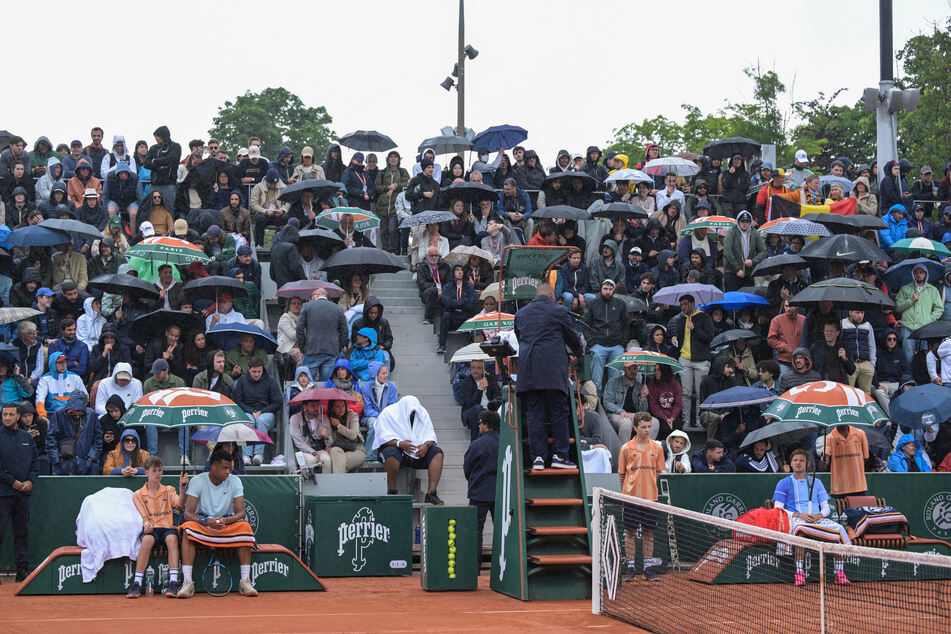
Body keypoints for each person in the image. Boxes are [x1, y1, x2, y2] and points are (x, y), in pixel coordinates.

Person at [515, 284, 585, 470]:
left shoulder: (521, 313)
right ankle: (560, 456)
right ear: (552, 295)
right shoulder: (559, 310)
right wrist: (578, 352)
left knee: (534, 413)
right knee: (558, 411)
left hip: (529, 369)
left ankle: (537, 457)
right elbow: (572, 337)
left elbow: (519, 337)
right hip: (553, 369)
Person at [176, 448, 257, 598]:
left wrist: (226, 520)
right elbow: (188, 514)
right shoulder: (198, 480)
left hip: (226, 523)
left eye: (230, 469)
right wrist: (206, 521)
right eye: (224, 468)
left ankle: (245, 581)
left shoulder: (235, 481)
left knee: (245, 527)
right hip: (203, 523)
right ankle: (187, 582)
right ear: (213, 466)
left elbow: (241, 513)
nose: (228, 472)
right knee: (187, 529)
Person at [772, 449, 851, 586]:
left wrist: (818, 515)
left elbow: (826, 508)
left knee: (839, 529)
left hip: (817, 520)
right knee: (801, 531)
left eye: (801, 460)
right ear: (791, 463)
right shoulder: (783, 483)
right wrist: (799, 515)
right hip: (796, 520)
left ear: (807, 464)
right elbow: (778, 509)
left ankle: (839, 573)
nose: (798, 463)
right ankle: (799, 572)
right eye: (795, 460)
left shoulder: (817, 482)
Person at [127, 456, 188, 598]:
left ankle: (173, 583)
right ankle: (136, 583)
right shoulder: (138, 494)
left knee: (172, 540)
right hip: (152, 529)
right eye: (154, 470)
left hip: (167, 528)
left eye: (160, 470)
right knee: (147, 541)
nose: (158, 473)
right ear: (147, 472)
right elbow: (143, 516)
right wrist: (146, 523)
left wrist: (183, 488)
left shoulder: (168, 489)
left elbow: (179, 503)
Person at [618, 413, 667, 581]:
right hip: (631, 498)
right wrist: (627, 493)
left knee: (649, 533)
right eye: (644, 427)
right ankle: (630, 568)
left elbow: (658, 472)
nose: (647, 430)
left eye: (649, 427)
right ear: (635, 428)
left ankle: (648, 567)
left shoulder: (658, 448)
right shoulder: (625, 448)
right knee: (630, 532)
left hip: (650, 498)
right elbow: (622, 475)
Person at [371, 395, 445, 504]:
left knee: (437, 453)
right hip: (396, 448)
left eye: (414, 412)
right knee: (390, 454)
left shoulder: (422, 412)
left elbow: (431, 434)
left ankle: (431, 494)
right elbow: (382, 438)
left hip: (417, 450)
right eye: (410, 412)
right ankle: (392, 492)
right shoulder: (388, 413)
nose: (413, 414)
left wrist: (426, 445)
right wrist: (399, 443)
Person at [0, 401, 39, 582]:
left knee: (22, 533)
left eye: (10, 414)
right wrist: (13, 482)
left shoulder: (26, 438)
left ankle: (22, 571)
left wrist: (30, 481)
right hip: (3, 494)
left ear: (18, 417)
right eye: (4, 414)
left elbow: (35, 463)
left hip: (23, 495)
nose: (7, 417)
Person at [463, 409, 500, 571]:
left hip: (479, 492)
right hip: (501, 492)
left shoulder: (477, 444)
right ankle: (501, 568)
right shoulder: (506, 442)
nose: (478, 425)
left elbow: (467, 468)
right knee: (502, 530)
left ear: (486, 425)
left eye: (480, 423)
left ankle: (474, 568)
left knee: (476, 531)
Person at [674, 294, 713, 429]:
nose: (683, 307)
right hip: (684, 358)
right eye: (681, 305)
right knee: (686, 392)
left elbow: (709, 337)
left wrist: (695, 329)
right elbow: (680, 338)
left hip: (701, 360)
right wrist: (674, 339)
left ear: (692, 303)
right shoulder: (680, 320)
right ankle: (686, 420)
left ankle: (699, 420)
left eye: (685, 304)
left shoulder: (704, 317)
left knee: (700, 392)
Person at [233, 359, 282, 466]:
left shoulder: (271, 381)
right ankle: (247, 455)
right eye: (254, 372)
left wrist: (261, 411)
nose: (257, 374)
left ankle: (258, 454)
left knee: (261, 421)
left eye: (259, 372)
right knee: (247, 421)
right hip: (247, 411)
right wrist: (251, 411)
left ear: (263, 370)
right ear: (249, 370)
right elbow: (238, 401)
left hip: (266, 412)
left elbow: (278, 402)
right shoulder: (242, 380)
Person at [584, 279, 628, 396]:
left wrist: (622, 343)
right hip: (598, 345)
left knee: (615, 382)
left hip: (616, 345)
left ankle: (612, 407)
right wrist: (591, 341)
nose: (607, 291)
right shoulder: (593, 303)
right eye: (605, 289)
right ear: (601, 289)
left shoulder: (620, 304)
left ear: (613, 290)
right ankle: (596, 402)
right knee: (596, 381)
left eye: (610, 289)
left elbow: (625, 324)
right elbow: (585, 324)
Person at [297, 288, 349, 382]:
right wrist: (339, 347)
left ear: (316, 295)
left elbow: (299, 329)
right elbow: (344, 330)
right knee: (325, 385)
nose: (311, 299)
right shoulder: (338, 309)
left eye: (311, 296)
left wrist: (302, 347)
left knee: (307, 383)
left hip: (311, 350)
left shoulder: (306, 306)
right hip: (331, 351)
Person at [895, 263, 943, 365]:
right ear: (912, 274)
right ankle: (909, 376)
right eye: (916, 272)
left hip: (925, 328)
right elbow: (898, 308)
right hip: (908, 326)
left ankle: (923, 376)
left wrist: (928, 320)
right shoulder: (905, 289)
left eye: (921, 272)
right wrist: (911, 300)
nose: (918, 274)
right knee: (908, 354)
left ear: (926, 274)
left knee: (925, 354)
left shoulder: (932, 290)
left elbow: (939, 309)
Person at [46, 390, 101, 475]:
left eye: (81, 414)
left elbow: (98, 438)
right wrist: (57, 460)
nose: (77, 416)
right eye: (74, 414)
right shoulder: (59, 414)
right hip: (64, 463)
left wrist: (91, 458)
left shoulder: (92, 415)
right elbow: (51, 439)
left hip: (87, 462)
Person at [603, 361, 650, 444]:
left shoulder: (640, 387)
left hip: (634, 415)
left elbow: (644, 411)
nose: (632, 371)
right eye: (629, 369)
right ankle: (623, 454)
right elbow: (607, 403)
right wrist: (621, 411)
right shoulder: (613, 382)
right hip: (616, 414)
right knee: (626, 423)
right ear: (624, 369)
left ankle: (644, 451)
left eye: (634, 369)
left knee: (654, 422)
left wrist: (643, 398)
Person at [455, 359, 501, 441]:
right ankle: (474, 442)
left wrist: (491, 407)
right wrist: (480, 389)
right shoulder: (466, 383)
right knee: (477, 408)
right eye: (473, 368)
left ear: (484, 370)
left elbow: (498, 396)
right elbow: (470, 404)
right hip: (471, 411)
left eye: (478, 368)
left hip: (489, 409)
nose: (475, 370)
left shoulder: (490, 379)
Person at [438, 264, 479, 354]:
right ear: (453, 272)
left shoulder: (469, 288)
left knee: (474, 318)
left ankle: (471, 346)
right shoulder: (447, 287)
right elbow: (446, 302)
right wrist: (464, 300)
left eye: (461, 270)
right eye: (457, 270)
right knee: (445, 315)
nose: (460, 272)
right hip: (452, 318)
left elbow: (472, 304)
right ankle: (442, 345)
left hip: (465, 318)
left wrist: (455, 303)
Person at [35, 351, 86, 419]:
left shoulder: (75, 377)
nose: (63, 365)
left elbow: (85, 397)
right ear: (53, 364)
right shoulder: (45, 379)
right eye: (60, 362)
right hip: (52, 414)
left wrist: (77, 412)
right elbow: (40, 399)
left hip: (72, 414)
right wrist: (42, 415)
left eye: (65, 362)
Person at [723, 211, 765, 292]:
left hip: (748, 273)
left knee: (747, 300)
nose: (745, 224)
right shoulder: (731, 232)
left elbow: (763, 251)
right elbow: (727, 252)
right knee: (732, 300)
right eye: (743, 221)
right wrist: (737, 269)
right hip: (732, 273)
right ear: (738, 221)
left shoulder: (755, 233)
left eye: (747, 221)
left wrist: (753, 261)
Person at [823, 424, 869, 498]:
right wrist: (825, 459)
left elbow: (866, 457)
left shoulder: (860, 433)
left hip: (859, 486)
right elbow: (825, 458)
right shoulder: (829, 438)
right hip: (839, 488)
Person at [769, 300, 807, 376]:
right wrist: (785, 347)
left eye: (790, 306)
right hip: (784, 360)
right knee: (783, 384)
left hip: (801, 361)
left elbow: (809, 338)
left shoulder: (804, 320)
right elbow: (771, 339)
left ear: (796, 307)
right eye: (786, 306)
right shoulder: (777, 320)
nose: (788, 309)